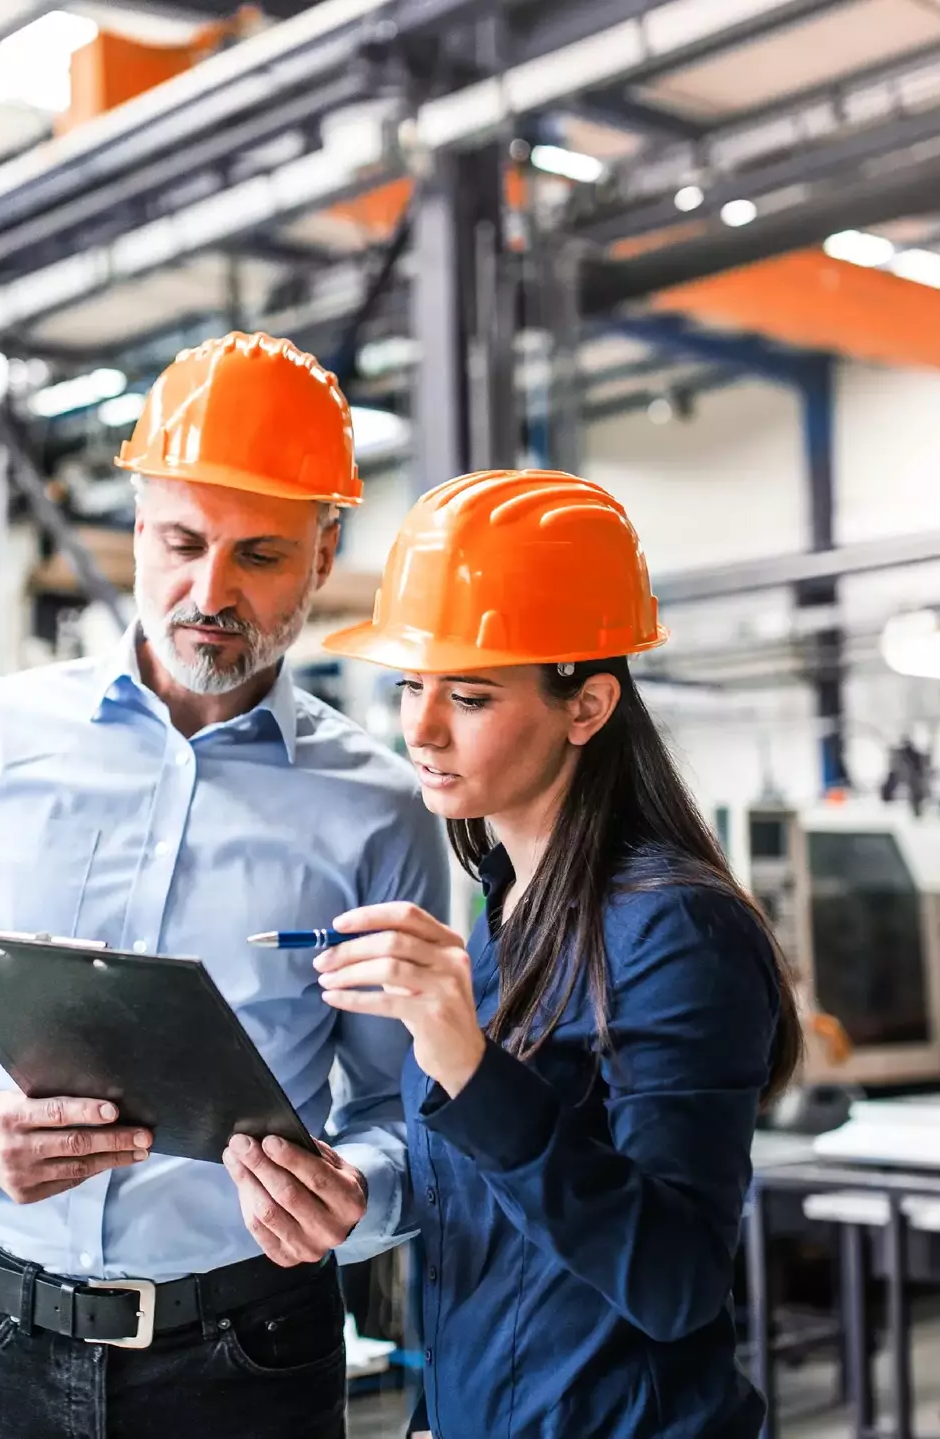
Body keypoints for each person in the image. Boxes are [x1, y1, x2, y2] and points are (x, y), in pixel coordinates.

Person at [0, 333, 449, 1439]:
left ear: (323, 551)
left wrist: (356, 1192)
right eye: (178, 541)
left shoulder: (379, 806)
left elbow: (403, 1113)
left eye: (258, 553)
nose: (209, 590)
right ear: (135, 522)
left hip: (246, 1356)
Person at [317, 468, 803, 1439]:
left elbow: (674, 1282)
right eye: (410, 684)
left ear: (584, 706)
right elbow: (496, 1242)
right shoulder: (504, 914)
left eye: (467, 693)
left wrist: (465, 1063)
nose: (418, 727)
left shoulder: (674, 930)